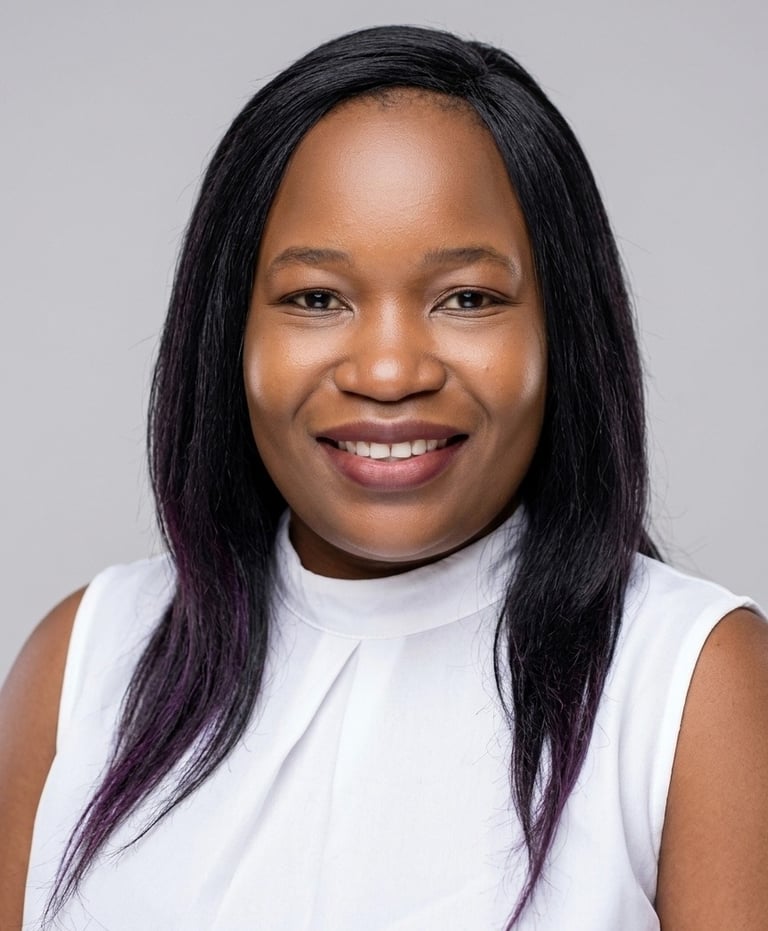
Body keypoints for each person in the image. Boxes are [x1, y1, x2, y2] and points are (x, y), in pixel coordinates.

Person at [1, 24, 766, 931]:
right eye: (316, 298)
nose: (391, 371)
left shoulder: (691, 680)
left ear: (561, 328)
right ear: (231, 331)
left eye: (468, 298)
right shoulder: (86, 659)